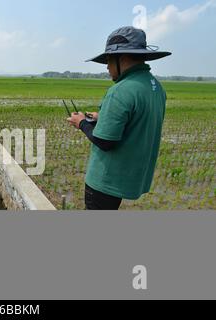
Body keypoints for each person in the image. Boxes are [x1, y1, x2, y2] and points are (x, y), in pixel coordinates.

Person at [67, 26, 172, 210]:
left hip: (105, 182)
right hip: (128, 177)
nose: (107, 67)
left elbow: (104, 141)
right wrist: (103, 116)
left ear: (122, 59)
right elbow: (136, 119)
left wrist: (82, 123)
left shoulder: (121, 90)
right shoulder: (155, 86)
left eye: (108, 60)